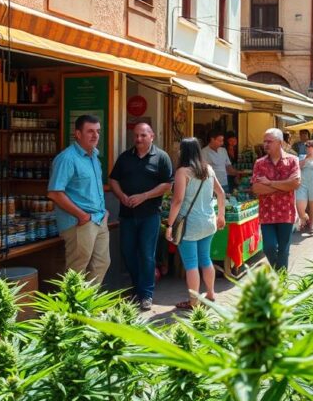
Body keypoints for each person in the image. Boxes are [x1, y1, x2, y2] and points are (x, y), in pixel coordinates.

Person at [108, 122, 173, 310]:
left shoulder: (161, 157)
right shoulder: (125, 157)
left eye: (143, 135)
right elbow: (113, 179)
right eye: (136, 135)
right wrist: (121, 196)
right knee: (128, 253)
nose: (138, 139)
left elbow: (167, 185)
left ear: (152, 136)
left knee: (146, 254)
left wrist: (144, 196)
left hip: (150, 215)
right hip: (127, 214)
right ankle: (137, 288)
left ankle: (146, 294)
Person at [48, 114, 110, 283]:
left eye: (97, 131)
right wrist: (82, 215)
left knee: (101, 264)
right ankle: (70, 307)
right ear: (78, 134)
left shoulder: (94, 157)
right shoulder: (67, 158)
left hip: (98, 219)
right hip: (79, 223)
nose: (95, 135)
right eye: (90, 131)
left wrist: (103, 211)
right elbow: (54, 192)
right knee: (76, 270)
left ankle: (87, 305)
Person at [164, 138, 224, 310]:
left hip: (190, 225)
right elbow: (220, 193)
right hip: (208, 222)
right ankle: (211, 295)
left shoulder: (183, 172)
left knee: (191, 264)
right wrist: (221, 216)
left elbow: (177, 201)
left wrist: (169, 225)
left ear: (184, 151)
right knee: (206, 259)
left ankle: (194, 302)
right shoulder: (208, 169)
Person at [251, 128, 301, 271]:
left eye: (269, 141)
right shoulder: (259, 163)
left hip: (286, 213)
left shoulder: (292, 161)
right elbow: (256, 188)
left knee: (284, 249)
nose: (265, 144)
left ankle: (281, 282)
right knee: (269, 248)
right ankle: (279, 273)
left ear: (279, 142)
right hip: (267, 213)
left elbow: (295, 184)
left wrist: (270, 183)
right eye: (264, 141)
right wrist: (284, 186)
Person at [202, 131, 244, 195]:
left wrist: (239, 172)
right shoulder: (204, 152)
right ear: (212, 140)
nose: (222, 143)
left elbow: (228, 167)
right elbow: (203, 171)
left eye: (222, 141)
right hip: (212, 185)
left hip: (224, 183)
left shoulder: (223, 150)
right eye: (220, 141)